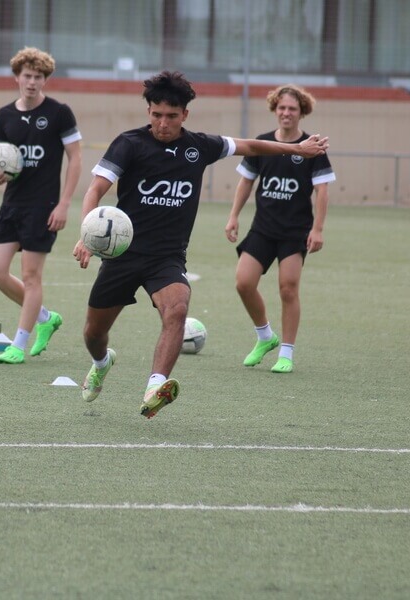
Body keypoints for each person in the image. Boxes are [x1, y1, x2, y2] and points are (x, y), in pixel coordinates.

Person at [74, 71, 329, 418]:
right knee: (93, 333)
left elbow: (251, 146)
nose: (163, 123)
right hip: (122, 254)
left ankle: (155, 385)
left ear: (185, 115)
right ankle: (102, 362)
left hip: (166, 257)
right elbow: (95, 189)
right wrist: (87, 235)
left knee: (177, 307)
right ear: (148, 112)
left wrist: (296, 149)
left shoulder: (199, 146)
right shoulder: (129, 143)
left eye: (172, 116)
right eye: (156, 115)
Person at [224, 84, 335, 374]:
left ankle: (286, 353)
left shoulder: (312, 147)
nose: (286, 113)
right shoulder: (262, 143)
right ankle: (265, 337)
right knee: (243, 282)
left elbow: (322, 191)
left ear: (302, 112)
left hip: (294, 231)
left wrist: (318, 229)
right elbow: (246, 181)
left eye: (292, 109)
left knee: (288, 289)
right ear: (275, 109)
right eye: (282, 108)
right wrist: (233, 216)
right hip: (263, 228)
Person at [0, 47, 82, 365]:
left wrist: (65, 204)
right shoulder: (4, 115)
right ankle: (45, 318)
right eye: (27, 76)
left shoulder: (59, 112)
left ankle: (18, 345)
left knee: (31, 276)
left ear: (45, 80)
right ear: (17, 77)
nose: (32, 82)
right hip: (11, 204)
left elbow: (75, 159)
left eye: (38, 77)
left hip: (44, 206)